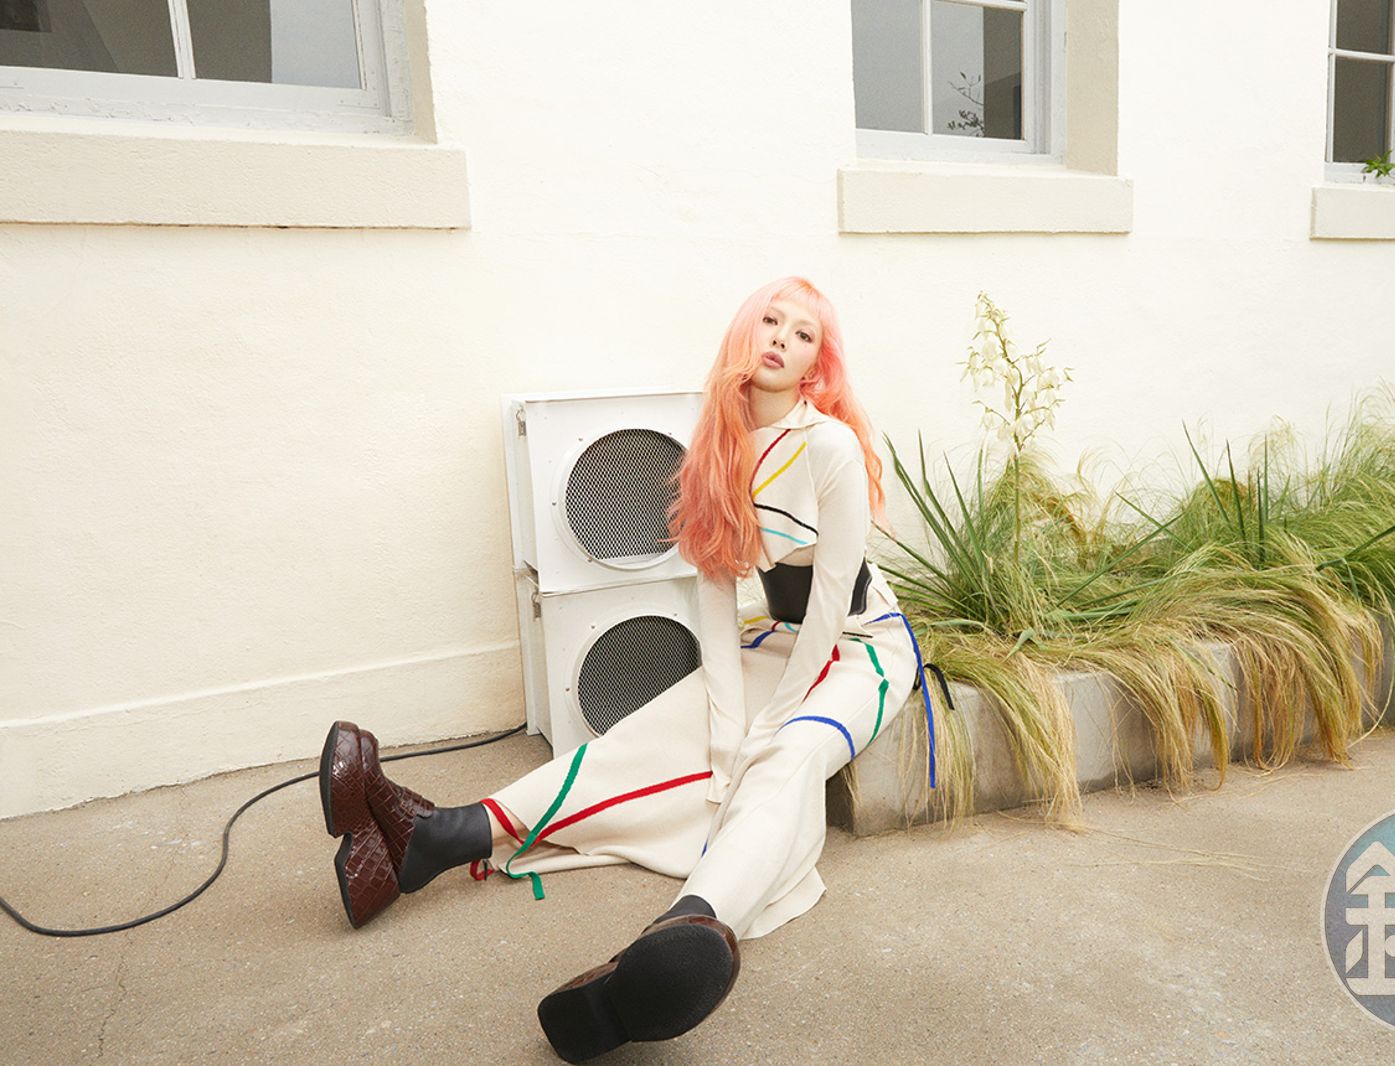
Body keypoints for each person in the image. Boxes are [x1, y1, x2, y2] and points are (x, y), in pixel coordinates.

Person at [317, 275, 933, 1063]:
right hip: (778, 635)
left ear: (820, 361)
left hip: (861, 646)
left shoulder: (829, 446)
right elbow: (717, 594)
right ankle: (440, 836)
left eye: (804, 333)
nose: (783, 338)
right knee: (658, 730)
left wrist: (771, 720)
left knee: (786, 757)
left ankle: (690, 929)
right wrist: (722, 723)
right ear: (745, 334)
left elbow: (832, 601)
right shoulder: (718, 442)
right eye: (771, 321)